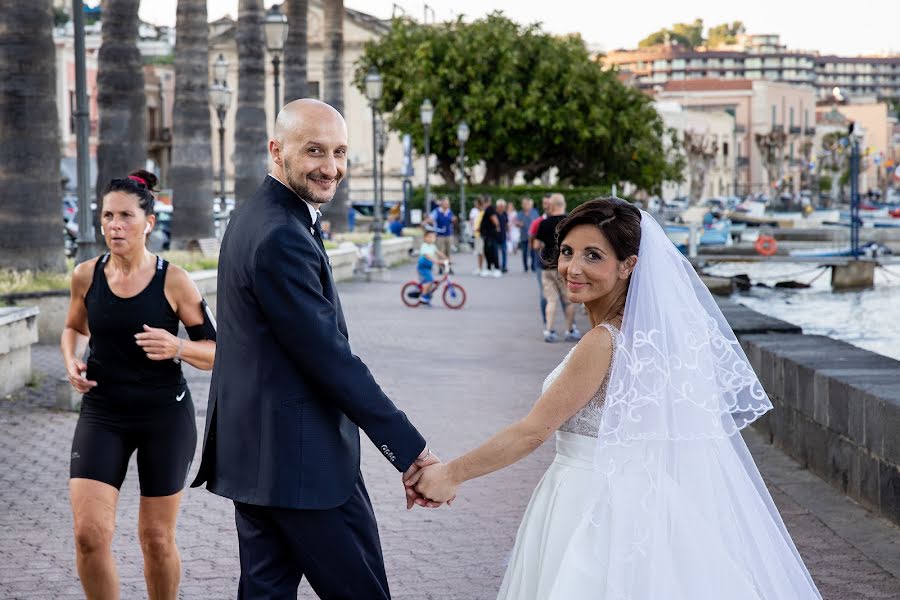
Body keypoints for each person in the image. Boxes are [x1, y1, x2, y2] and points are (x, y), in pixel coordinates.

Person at [406, 198, 823, 600]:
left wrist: (452, 474)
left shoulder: (603, 341)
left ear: (628, 265)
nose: (572, 267)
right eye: (568, 252)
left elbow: (532, 432)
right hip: (644, 497)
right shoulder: (649, 338)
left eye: (593, 256)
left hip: (590, 500)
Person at [190, 99, 442, 599]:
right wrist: (410, 451)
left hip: (259, 461)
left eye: (340, 152)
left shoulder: (256, 216)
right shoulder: (281, 234)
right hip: (303, 467)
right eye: (315, 152)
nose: (331, 167)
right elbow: (330, 359)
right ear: (276, 151)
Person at [62, 169, 217, 600]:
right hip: (103, 413)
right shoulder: (85, 275)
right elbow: (73, 327)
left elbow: (218, 351)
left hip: (163, 417)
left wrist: (178, 347)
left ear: (149, 222)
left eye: (126, 216)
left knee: (156, 538)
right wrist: (70, 358)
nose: (115, 225)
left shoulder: (175, 280)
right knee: (89, 535)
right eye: (108, 215)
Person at [534, 194, 579, 342]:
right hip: (564, 266)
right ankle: (570, 330)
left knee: (551, 300)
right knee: (568, 300)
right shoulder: (569, 222)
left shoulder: (543, 223)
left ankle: (549, 331)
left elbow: (536, 245)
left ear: (551, 206)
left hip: (546, 267)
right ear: (563, 204)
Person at [417, 227, 448, 305]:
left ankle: (427, 297)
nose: (432, 239)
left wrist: (446, 258)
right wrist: (436, 261)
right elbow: (427, 255)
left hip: (428, 267)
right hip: (423, 267)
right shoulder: (424, 246)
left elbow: (438, 252)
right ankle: (423, 296)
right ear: (425, 238)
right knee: (429, 281)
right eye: (430, 237)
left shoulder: (433, 246)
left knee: (432, 282)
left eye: (433, 237)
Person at [479, 195, 503, 277]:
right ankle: (489, 268)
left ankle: (496, 268)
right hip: (487, 235)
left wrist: (497, 227)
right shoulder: (488, 209)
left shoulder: (490, 208)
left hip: (490, 235)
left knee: (493, 251)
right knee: (487, 252)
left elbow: (494, 219)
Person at [518, 197, 540, 272]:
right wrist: (518, 224)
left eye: (527, 204)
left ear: (530, 204)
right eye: (524, 204)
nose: (525, 205)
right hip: (524, 235)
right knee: (524, 252)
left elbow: (538, 222)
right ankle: (525, 267)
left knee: (533, 252)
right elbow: (516, 221)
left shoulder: (534, 212)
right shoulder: (520, 213)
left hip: (533, 235)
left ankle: (533, 266)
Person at [496, 198, 509, 272]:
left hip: (503, 236)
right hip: (496, 236)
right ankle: (498, 266)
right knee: (496, 253)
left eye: (503, 206)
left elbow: (506, 224)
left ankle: (504, 266)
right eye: (500, 206)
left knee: (504, 252)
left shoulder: (505, 214)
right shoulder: (495, 214)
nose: (502, 208)